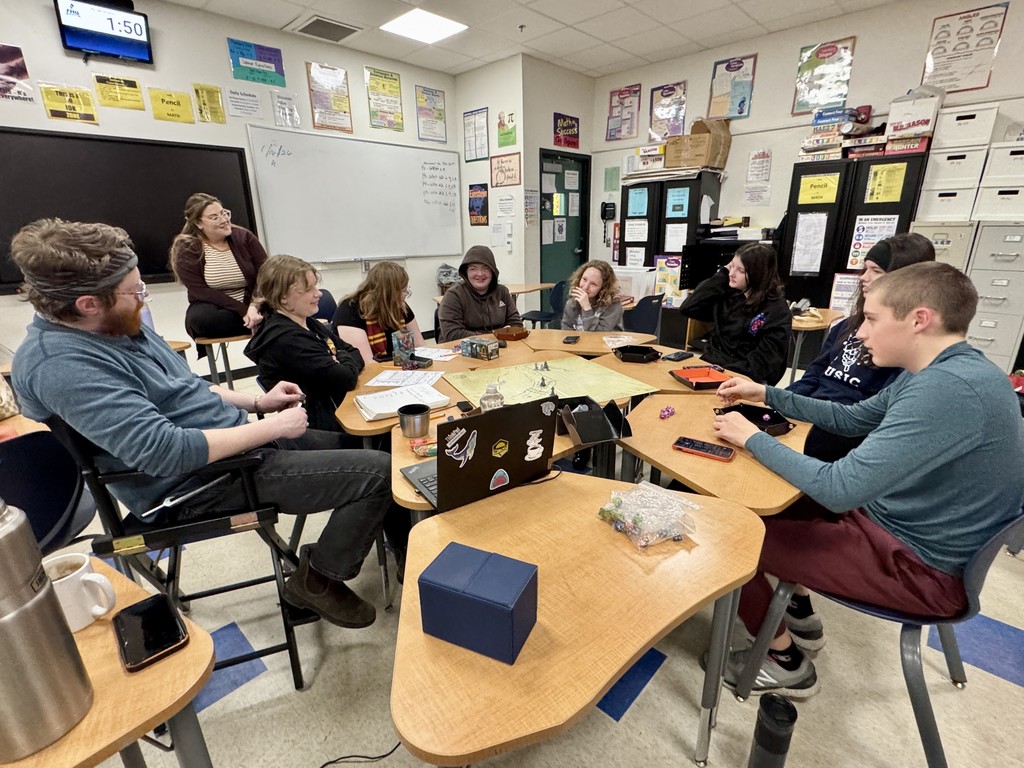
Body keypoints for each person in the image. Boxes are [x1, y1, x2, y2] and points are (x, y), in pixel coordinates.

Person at [11, 219, 404, 630]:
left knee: (377, 451)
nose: (143, 299)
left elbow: (184, 388)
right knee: (378, 475)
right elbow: (167, 452)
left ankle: (396, 549)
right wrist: (272, 427)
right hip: (198, 484)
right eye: (135, 292)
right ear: (88, 304)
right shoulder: (61, 365)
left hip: (236, 449)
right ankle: (317, 580)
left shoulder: (115, 327)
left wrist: (258, 401)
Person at [711, 262, 1024, 698]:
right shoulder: (943, 370)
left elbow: (840, 490)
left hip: (919, 569)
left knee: (729, 536)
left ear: (919, 320)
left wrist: (752, 438)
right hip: (897, 530)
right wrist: (766, 394)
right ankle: (797, 608)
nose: (859, 333)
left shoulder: (947, 389)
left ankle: (784, 661)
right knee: (772, 502)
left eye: (872, 320)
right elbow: (852, 418)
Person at [788, 233, 935, 462]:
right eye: (864, 269)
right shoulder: (848, 325)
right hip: (813, 416)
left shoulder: (909, 348)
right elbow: (815, 374)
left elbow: (866, 418)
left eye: (876, 271)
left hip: (843, 431)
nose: (864, 278)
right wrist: (784, 402)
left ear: (904, 281)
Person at [245, 255, 365, 435]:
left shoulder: (306, 322)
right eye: (308, 289)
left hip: (335, 411)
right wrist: (340, 358)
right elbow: (347, 379)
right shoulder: (288, 339)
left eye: (315, 286)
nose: (319, 293)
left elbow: (353, 352)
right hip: (322, 430)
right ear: (283, 298)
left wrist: (339, 357)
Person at [679, 242, 791, 385]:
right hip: (712, 368)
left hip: (744, 377)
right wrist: (723, 274)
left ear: (757, 274)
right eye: (731, 266)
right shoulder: (730, 293)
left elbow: (763, 363)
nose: (732, 274)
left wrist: (723, 373)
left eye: (740, 270)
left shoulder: (776, 310)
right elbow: (688, 307)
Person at [169, 192, 268, 340]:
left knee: (286, 306)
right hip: (217, 308)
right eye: (214, 217)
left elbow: (265, 274)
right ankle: (261, 324)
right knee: (201, 321)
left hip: (255, 303)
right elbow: (200, 291)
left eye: (224, 213)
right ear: (198, 223)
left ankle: (260, 321)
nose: (224, 220)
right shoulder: (186, 248)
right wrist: (244, 311)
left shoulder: (244, 237)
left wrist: (254, 306)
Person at [332, 261, 426, 364]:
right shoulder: (350, 310)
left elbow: (420, 347)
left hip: (399, 368)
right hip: (370, 374)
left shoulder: (400, 306)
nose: (406, 294)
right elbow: (366, 363)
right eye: (403, 291)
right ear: (388, 294)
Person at [438, 245, 522, 342]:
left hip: (500, 348)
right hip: (461, 350)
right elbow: (453, 334)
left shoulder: (502, 292)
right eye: (473, 269)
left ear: (493, 271)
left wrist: (500, 335)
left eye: (485, 268)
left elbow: (517, 325)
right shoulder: (454, 295)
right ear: (466, 272)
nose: (480, 274)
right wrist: (495, 335)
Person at [560, 260, 624, 332]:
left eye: (593, 284)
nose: (585, 287)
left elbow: (599, 335)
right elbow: (566, 330)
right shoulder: (572, 302)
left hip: (605, 342)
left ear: (603, 288)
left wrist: (587, 308)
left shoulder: (613, 304)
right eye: (584, 279)